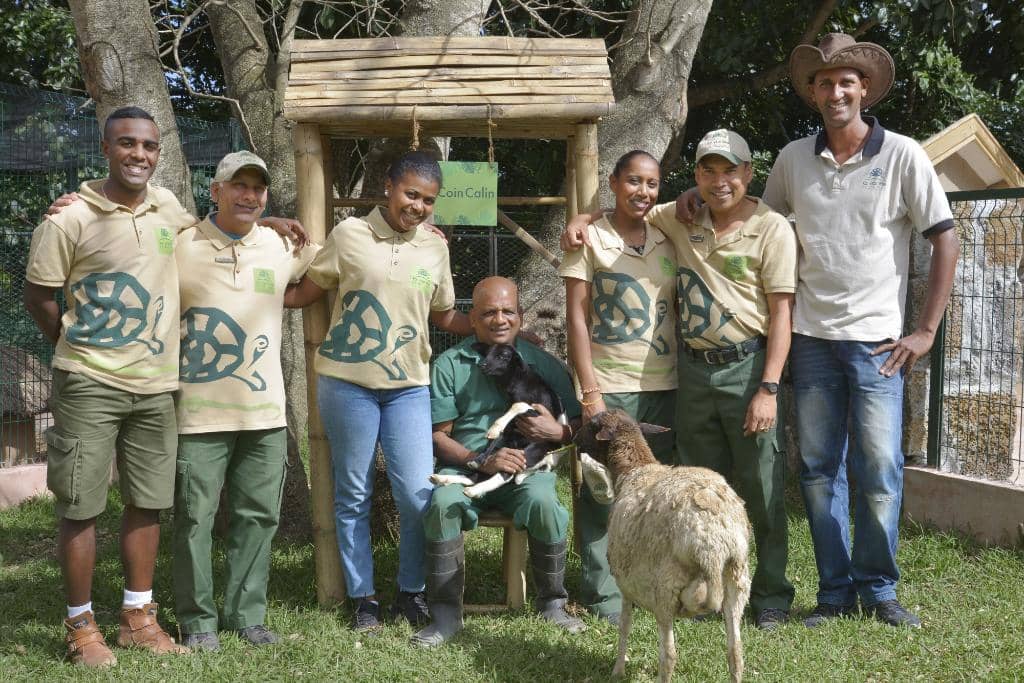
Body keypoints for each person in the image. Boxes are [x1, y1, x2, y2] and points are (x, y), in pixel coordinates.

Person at [680, 34, 959, 628]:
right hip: (808, 340)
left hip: (880, 344)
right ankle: (833, 593)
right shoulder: (791, 160)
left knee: (880, 470)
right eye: (825, 82)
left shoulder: (903, 155)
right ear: (812, 92)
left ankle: (879, 589)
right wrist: (697, 196)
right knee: (815, 471)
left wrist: (926, 329)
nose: (836, 91)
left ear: (864, 89)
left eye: (846, 81)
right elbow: (756, 218)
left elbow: (944, 238)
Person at [561, 133, 798, 630]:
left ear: (749, 173)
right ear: (695, 178)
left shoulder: (769, 228)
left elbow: (782, 313)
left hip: (742, 369)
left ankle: (770, 595)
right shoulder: (678, 219)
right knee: (690, 490)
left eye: (729, 171)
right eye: (708, 172)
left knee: (759, 483)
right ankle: (696, 589)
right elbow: (623, 212)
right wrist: (583, 219)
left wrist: (770, 387)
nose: (719, 181)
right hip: (688, 375)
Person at [23, 107, 192, 667]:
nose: (138, 155)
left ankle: (137, 616)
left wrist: (273, 225)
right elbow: (40, 297)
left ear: (158, 153)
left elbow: (217, 230)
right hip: (89, 382)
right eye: (126, 144)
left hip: (157, 385)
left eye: (148, 146)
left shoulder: (167, 207)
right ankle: (80, 625)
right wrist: (80, 350)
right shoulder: (67, 221)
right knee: (81, 504)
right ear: (105, 148)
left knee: (147, 501)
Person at [285, 151, 471, 632]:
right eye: (411, 194)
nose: (418, 207)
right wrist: (251, 296)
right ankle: (362, 598)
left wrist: (497, 329)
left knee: (416, 496)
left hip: (409, 387)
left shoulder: (434, 247)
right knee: (353, 493)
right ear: (388, 186)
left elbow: (443, 314)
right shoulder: (349, 235)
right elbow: (309, 287)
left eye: (428, 200)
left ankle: (411, 592)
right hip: (347, 385)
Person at [171, 151, 318, 651]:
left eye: (258, 189)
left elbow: (340, 261)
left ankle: (246, 614)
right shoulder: (181, 243)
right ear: (215, 191)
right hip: (196, 413)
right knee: (195, 518)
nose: (249, 196)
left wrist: (422, 239)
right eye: (238, 186)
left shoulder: (281, 245)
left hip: (265, 413)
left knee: (259, 516)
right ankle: (197, 622)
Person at [411, 276, 585, 647]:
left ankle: (552, 604)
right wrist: (480, 460)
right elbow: (437, 434)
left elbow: (578, 427)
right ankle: (444, 615)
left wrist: (558, 433)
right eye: (489, 313)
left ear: (521, 317)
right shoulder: (449, 364)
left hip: (527, 468)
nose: (500, 319)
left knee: (545, 503)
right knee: (442, 503)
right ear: (472, 319)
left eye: (508, 311)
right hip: (465, 467)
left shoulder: (542, 364)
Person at [557, 150, 678, 624]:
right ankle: (603, 593)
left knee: (655, 492)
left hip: (665, 386)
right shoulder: (588, 239)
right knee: (602, 493)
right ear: (613, 182)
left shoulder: (669, 235)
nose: (642, 192)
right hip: (610, 386)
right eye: (633, 181)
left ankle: (653, 584)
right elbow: (576, 319)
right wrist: (590, 394)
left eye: (651, 184)